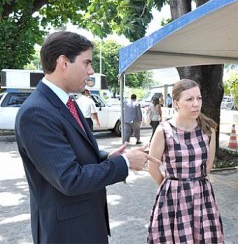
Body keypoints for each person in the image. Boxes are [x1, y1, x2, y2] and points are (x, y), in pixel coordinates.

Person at [15, 31, 160, 244]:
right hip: (66, 233)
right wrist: (125, 162)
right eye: (87, 63)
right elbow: (70, 179)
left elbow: (70, 155)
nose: (91, 71)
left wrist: (107, 157)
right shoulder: (36, 112)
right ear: (63, 62)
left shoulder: (65, 102)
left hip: (84, 224)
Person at [147, 79, 225, 243]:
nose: (196, 104)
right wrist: (172, 188)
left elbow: (208, 166)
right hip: (173, 198)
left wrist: (193, 186)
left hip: (202, 195)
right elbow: (152, 169)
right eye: (189, 99)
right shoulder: (164, 130)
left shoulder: (208, 128)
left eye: (199, 98)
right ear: (176, 103)